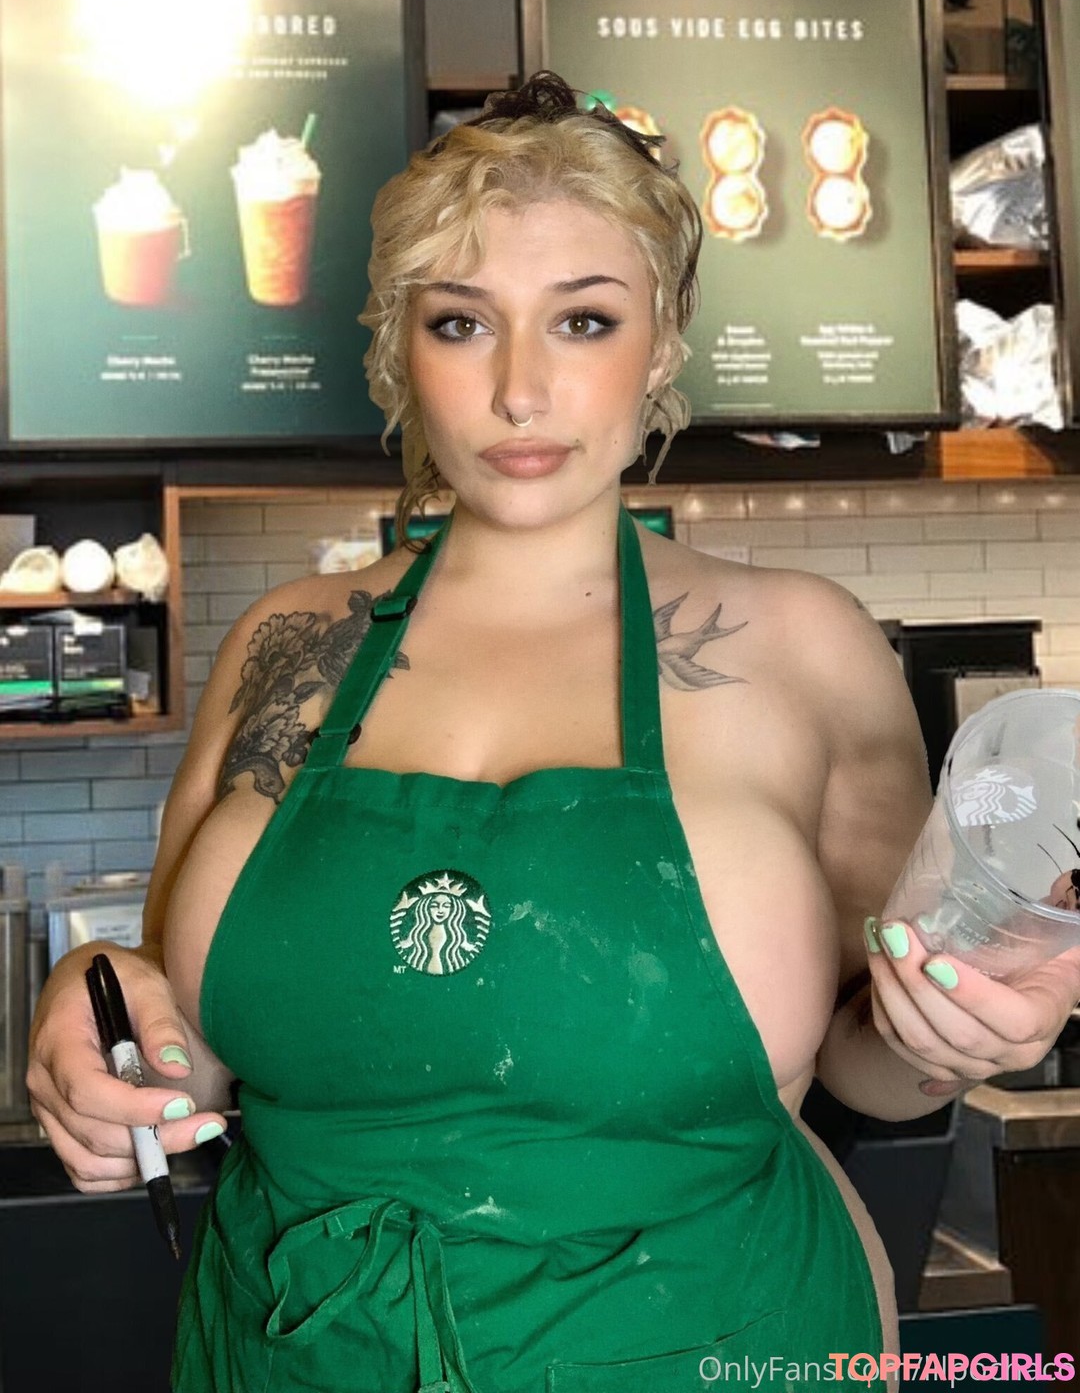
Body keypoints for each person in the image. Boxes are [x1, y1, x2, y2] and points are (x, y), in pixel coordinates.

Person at [26, 72, 1080, 1393]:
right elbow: (181, 1042)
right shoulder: (284, 649)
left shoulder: (808, 650)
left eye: (584, 320)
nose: (521, 390)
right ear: (399, 348)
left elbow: (873, 1059)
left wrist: (952, 1037)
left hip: (705, 1345)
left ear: (661, 344)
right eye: (463, 322)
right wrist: (99, 1007)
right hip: (295, 1353)